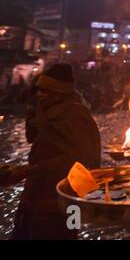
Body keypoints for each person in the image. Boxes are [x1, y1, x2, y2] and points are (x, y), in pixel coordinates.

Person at [0, 63, 101, 239]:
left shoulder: (75, 116)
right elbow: (34, 138)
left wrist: (28, 170)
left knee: (67, 234)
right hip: (36, 196)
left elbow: (78, 162)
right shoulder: (47, 112)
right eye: (38, 90)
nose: (39, 95)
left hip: (67, 201)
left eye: (45, 91)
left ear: (60, 93)